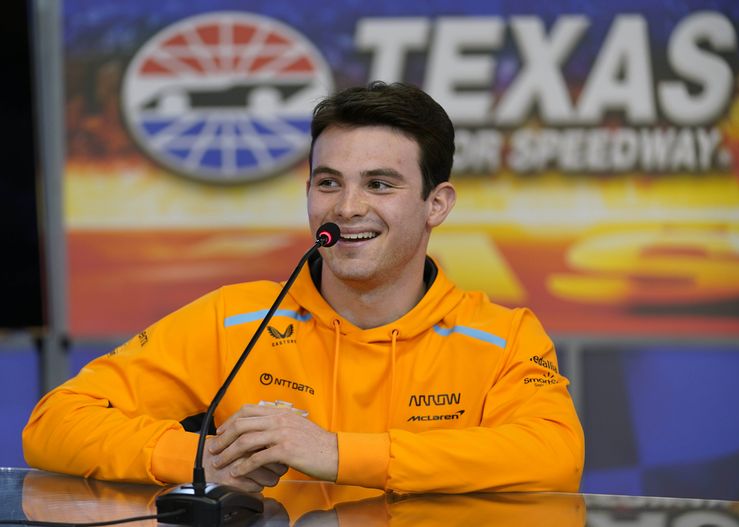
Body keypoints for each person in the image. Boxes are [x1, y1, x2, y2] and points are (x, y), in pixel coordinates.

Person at [23, 82, 584, 494]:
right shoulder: (234, 316)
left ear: (436, 203)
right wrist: (201, 459)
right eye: (328, 182)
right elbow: (55, 422)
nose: (347, 208)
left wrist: (337, 453)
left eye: (380, 184)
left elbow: (555, 456)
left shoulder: (504, 336)